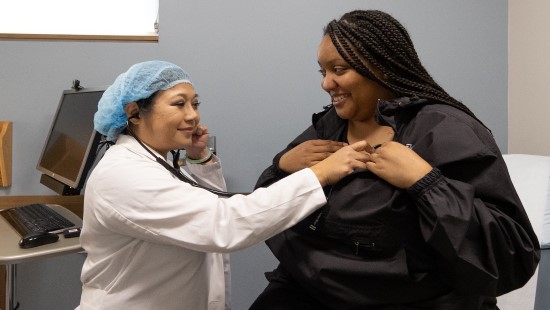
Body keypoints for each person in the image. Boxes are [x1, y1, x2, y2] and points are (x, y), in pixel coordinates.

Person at [250, 10, 540, 310]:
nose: (327, 84)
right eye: (323, 72)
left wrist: (426, 184)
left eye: (338, 69)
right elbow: (263, 212)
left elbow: (512, 254)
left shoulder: (446, 130)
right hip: (311, 288)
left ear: (381, 67)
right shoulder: (328, 126)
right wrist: (282, 166)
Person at [75, 60, 370, 310]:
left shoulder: (154, 163)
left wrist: (199, 158)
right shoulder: (126, 175)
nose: (193, 115)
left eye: (195, 103)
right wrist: (319, 175)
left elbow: (201, 203)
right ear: (134, 113)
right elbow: (223, 223)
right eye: (179, 104)